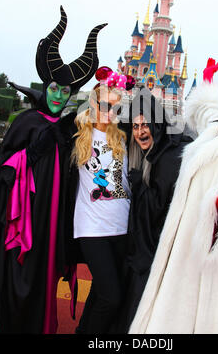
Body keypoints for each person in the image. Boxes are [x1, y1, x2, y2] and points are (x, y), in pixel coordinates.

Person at [0, 6, 106, 334]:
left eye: (65, 92)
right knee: (15, 282)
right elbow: (3, 175)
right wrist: (31, 154)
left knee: (42, 283)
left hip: (50, 227)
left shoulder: (68, 130)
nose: (58, 96)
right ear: (45, 86)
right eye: (54, 89)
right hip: (23, 225)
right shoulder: (27, 122)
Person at [129, 58, 218, 334]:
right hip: (186, 240)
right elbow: (208, 111)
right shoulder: (215, 132)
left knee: (197, 314)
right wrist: (207, 83)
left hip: (205, 250)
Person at [114, 87, 192, 333]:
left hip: (155, 255)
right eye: (136, 127)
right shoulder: (154, 151)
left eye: (145, 125)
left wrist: (139, 185)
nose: (140, 132)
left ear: (157, 125)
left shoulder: (168, 157)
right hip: (145, 251)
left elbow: (158, 207)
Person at [71, 66, 135, 335]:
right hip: (91, 228)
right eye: (105, 105)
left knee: (101, 292)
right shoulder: (76, 137)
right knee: (112, 297)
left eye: (116, 109)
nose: (110, 113)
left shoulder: (122, 137)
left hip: (121, 226)